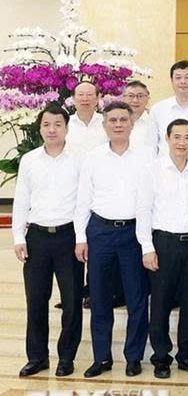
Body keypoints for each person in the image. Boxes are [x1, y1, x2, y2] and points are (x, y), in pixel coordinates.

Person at [74, 101, 151, 378]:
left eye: (123, 120)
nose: (118, 124)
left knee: (137, 298)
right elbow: (83, 199)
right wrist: (80, 237)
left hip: (133, 234)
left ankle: (133, 357)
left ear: (132, 123)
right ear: (104, 125)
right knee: (99, 298)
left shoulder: (146, 157)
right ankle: (102, 358)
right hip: (100, 232)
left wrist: (147, 243)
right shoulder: (93, 157)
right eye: (112, 120)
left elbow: (149, 201)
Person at [13, 103, 83, 378]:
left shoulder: (80, 158)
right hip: (37, 238)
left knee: (72, 301)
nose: (52, 129)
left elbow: (84, 202)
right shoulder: (29, 160)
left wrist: (82, 238)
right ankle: (37, 357)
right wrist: (18, 236)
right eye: (46, 124)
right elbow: (21, 199)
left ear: (66, 128)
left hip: (68, 237)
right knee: (36, 300)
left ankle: (66, 357)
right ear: (40, 128)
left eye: (57, 124)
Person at [135, 118, 188, 379]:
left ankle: (187, 355)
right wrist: (147, 247)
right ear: (167, 138)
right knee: (160, 303)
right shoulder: (152, 169)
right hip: (163, 243)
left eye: (187, 137)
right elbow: (143, 210)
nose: (181, 142)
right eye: (176, 137)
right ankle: (161, 357)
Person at [65, 81, 105, 154]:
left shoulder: (107, 122)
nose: (85, 99)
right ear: (73, 98)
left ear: (97, 99)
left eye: (89, 95)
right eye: (80, 95)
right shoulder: (65, 123)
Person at [124, 80, 158, 156]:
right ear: (124, 98)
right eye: (131, 96)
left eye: (140, 96)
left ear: (148, 99)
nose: (135, 100)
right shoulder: (115, 122)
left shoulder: (155, 123)